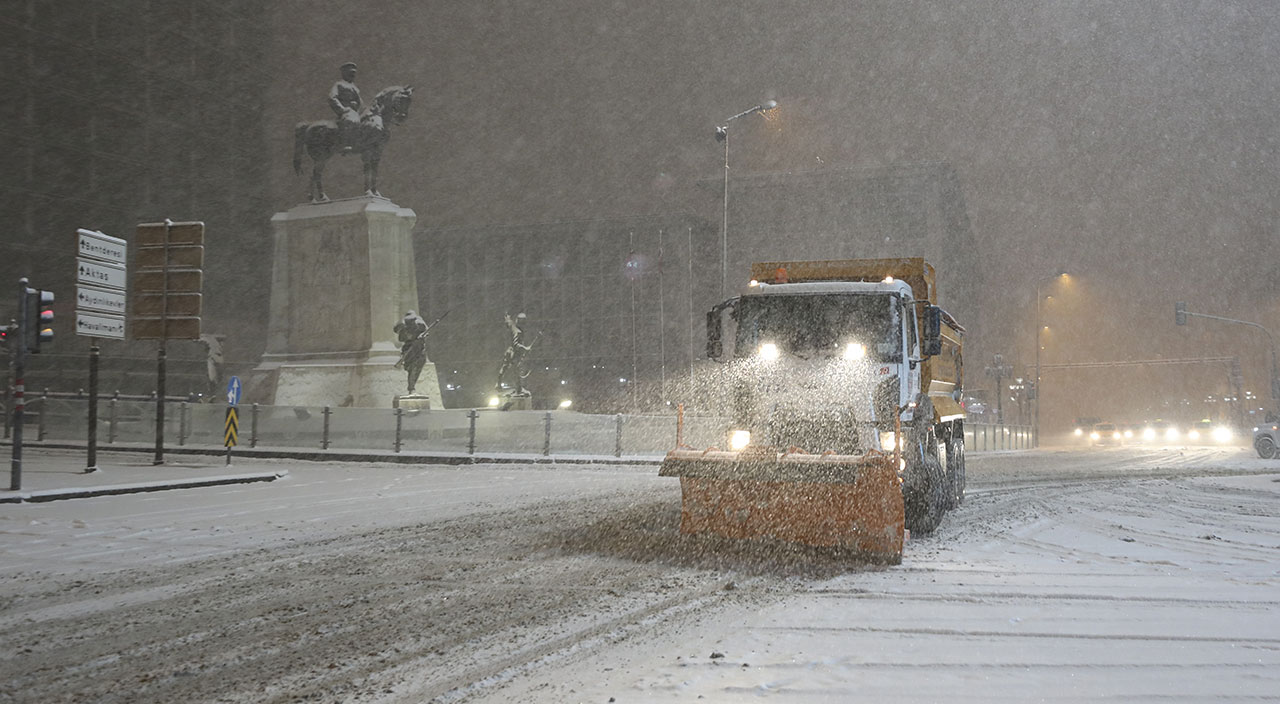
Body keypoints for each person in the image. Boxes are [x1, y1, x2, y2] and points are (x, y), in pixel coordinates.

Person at [496, 312, 533, 395]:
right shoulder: (518, 332)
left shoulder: (513, 326)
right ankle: (518, 389)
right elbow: (516, 344)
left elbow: (508, 323)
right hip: (514, 353)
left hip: (509, 352)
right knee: (516, 370)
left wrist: (507, 318)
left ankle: (498, 383)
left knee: (505, 368)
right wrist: (525, 348)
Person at [393, 310, 429, 394]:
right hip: (409, 350)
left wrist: (422, 337)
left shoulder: (420, 324)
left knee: (417, 368)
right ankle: (411, 388)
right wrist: (411, 338)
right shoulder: (403, 327)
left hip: (419, 350)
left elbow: (426, 332)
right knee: (412, 368)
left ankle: (412, 387)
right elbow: (401, 338)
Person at [328, 62, 361, 147]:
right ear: (344, 73)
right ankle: (346, 143)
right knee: (350, 120)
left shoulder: (355, 88)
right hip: (347, 111)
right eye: (351, 73)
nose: (352, 75)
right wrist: (342, 109)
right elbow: (332, 98)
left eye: (354, 73)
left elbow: (360, 101)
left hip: (356, 111)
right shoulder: (339, 85)